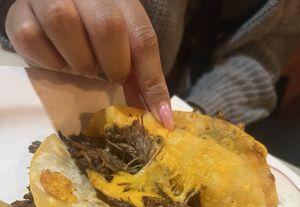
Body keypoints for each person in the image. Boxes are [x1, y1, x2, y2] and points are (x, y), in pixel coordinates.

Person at [0, 0, 299, 130]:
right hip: (60, 98)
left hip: (190, 115)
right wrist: (14, 11)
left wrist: (192, 118)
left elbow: (261, 59)